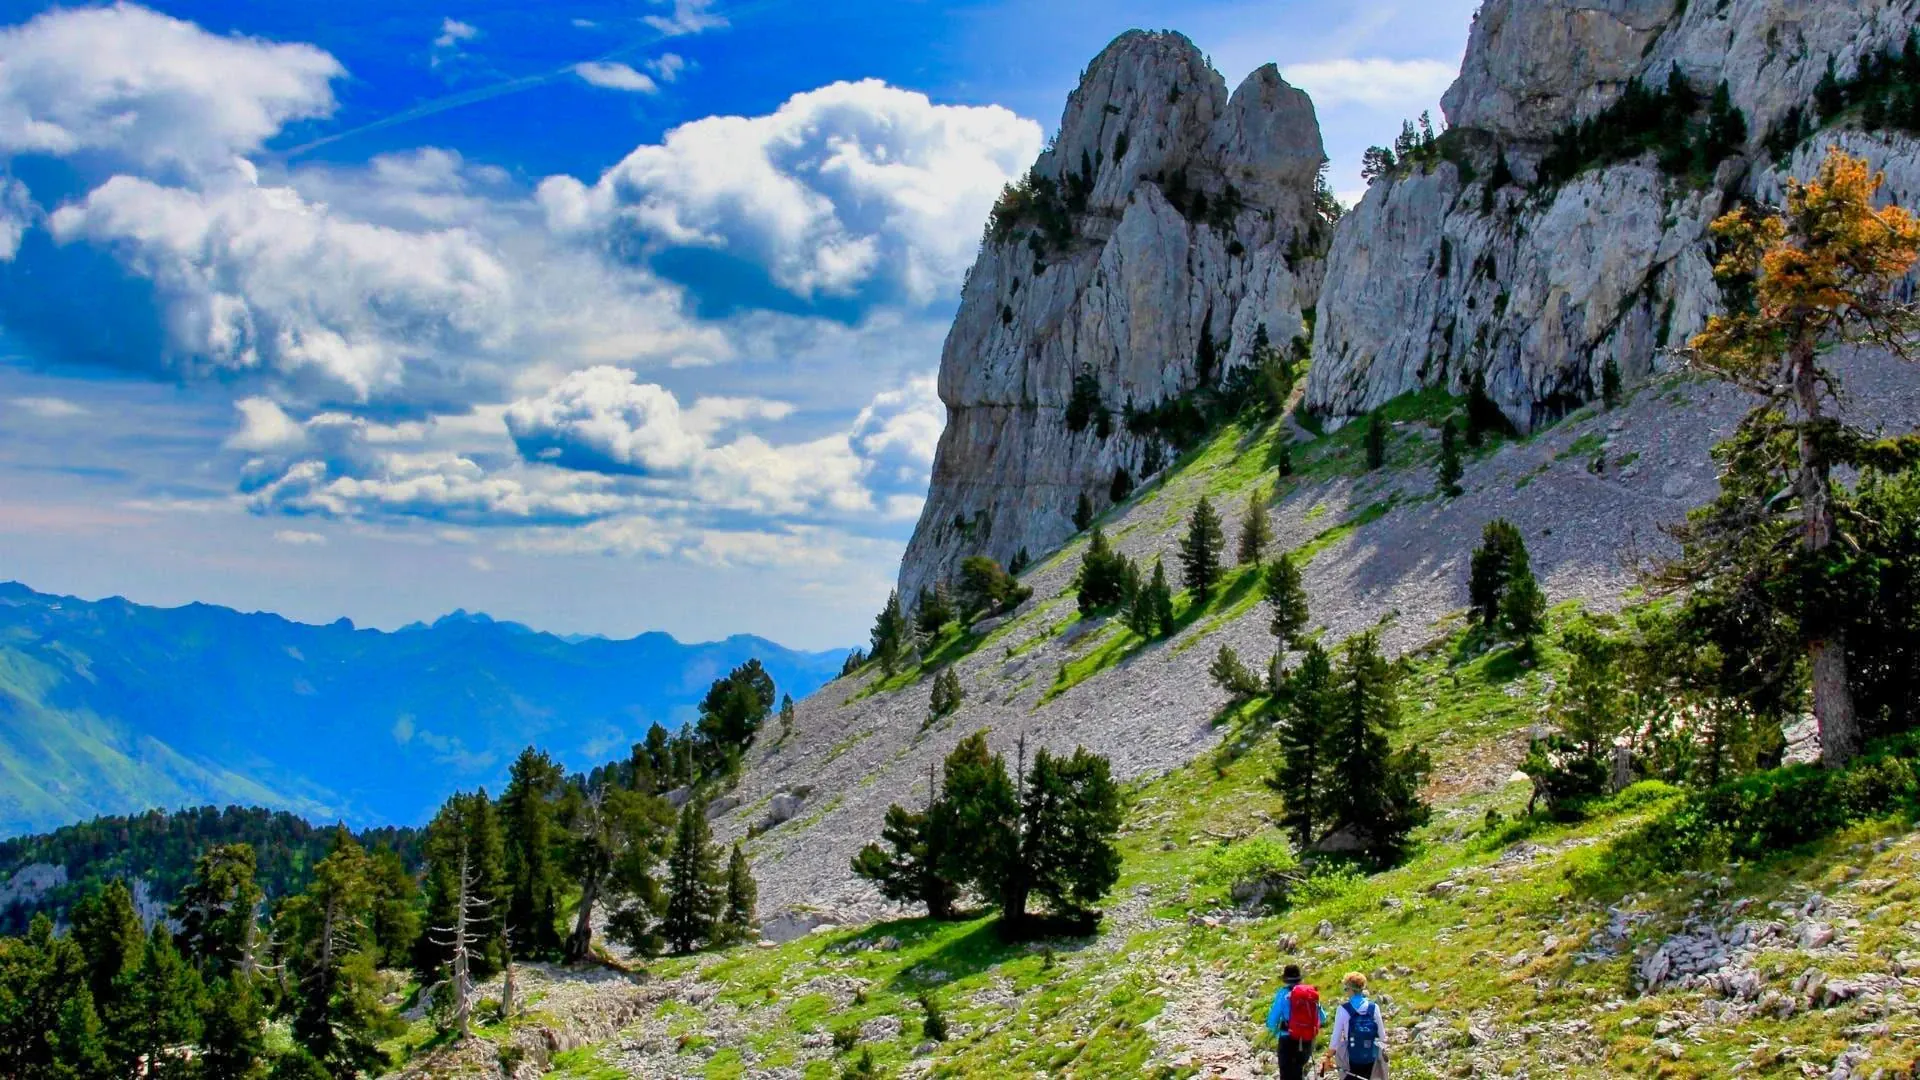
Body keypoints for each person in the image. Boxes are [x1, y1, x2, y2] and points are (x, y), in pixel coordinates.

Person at [1264, 963, 1324, 1080]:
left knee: (1287, 1074)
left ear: (1285, 979)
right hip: (1306, 1040)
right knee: (1299, 1071)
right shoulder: (1309, 994)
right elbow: (1322, 1017)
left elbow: (1272, 1020)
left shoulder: (1282, 994)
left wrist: (1276, 1032)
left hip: (1288, 1040)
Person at [1326, 971, 1386, 1079]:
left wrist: (1328, 1057)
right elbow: (1382, 1036)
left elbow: (1336, 1038)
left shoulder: (1343, 1009)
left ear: (1350, 989)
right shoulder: (1374, 1007)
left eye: (1346, 989)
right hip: (1370, 1057)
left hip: (1352, 1058)